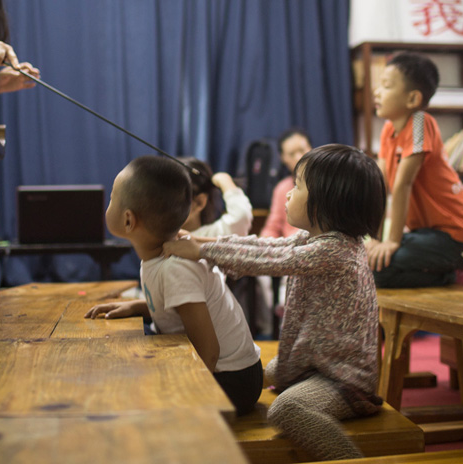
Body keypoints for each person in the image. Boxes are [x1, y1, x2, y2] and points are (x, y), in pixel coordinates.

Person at [164, 144, 386, 460]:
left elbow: (269, 261)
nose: (287, 194)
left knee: (286, 409)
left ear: (328, 202)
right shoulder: (314, 240)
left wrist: (203, 251)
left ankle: (347, 459)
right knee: (256, 371)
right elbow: (268, 247)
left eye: (297, 186)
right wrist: (204, 242)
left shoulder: (336, 252)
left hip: (343, 382)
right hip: (314, 363)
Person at [84, 156, 262, 417]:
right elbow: (177, 309)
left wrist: (184, 395)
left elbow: (209, 350)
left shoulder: (175, 267)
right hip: (217, 367)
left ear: (128, 221)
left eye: (112, 198)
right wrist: (136, 307)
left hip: (232, 379)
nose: (107, 204)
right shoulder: (158, 256)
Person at [366, 52, 463, 288]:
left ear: (412, 99)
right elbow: (380, 186)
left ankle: (449, 277)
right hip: (427, 236)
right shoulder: (388, 130)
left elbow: (402, 184)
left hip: (461, 241)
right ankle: (441, 274)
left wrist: (391, 242)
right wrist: (375, 239)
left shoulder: (420, 122)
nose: (376, 92)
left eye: (386, 86)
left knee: (379, 268)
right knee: (366, 260)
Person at [179, 157, 253, 238]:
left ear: (199, 202)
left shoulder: (212, 234)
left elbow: (241, 216)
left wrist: (224, 180)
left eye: (173, 199)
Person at [260, 128, 312, 240]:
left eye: (302, 150)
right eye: (291, 154)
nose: (299, 157)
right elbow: (272, 227)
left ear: (311, 149)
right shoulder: (282, 188)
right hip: (290, 247)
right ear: (283, 158)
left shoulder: (325, 182)